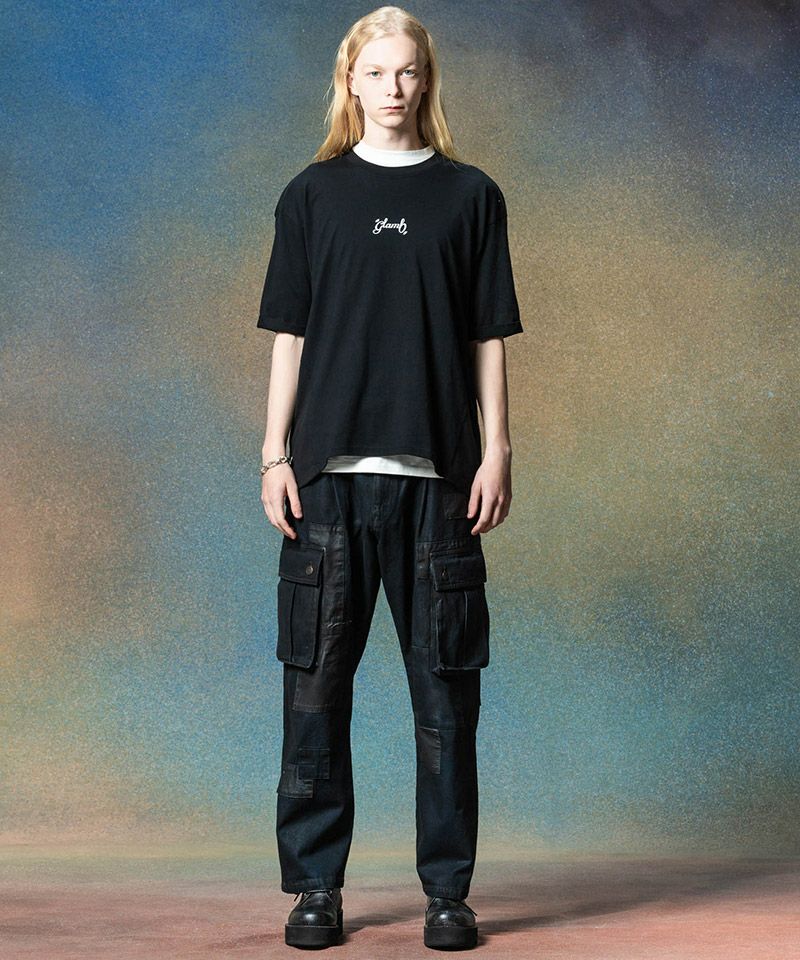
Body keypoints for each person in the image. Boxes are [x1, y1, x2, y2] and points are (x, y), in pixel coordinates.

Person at [257, 5, 523, 950]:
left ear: (427, 81)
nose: (393, 88)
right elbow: (290, 335)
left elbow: (488, 335)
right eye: (376, 72)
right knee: (313, 694)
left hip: (440, 483)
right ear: (350, 81)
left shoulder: (470, 196)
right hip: (327, 482)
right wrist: (273, 452)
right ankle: (315, 890)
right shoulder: (311, 195)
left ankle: (448, 895)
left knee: (446, 702)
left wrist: (497, 449)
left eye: (408, 71)